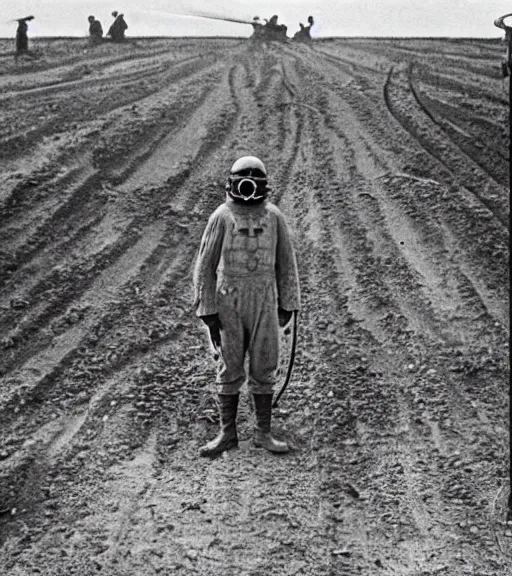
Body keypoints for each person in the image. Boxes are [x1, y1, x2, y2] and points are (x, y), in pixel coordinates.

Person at [193, 156, 300, 457]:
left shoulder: (274, 217)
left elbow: (286, 263)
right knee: (229, 363)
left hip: (265, 299)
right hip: (229, 300)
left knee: (266, 361)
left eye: (254, 182)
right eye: (243, 182)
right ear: (232, 183)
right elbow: (205, 265)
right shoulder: (222, 216)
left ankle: (263, 433)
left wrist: (288, 303)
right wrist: (209, 310)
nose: (248, 189)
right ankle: (228, 433)